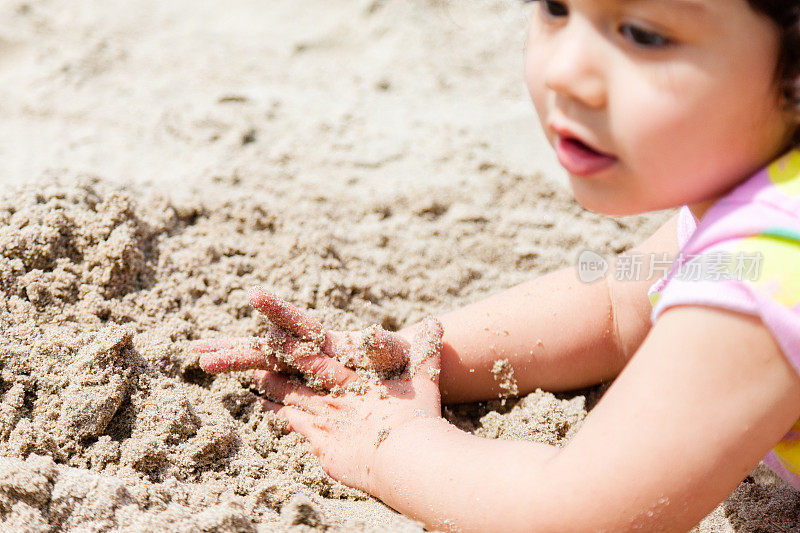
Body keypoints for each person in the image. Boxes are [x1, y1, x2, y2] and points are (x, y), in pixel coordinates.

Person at [191, 0, 800, 530]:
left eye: (643, 33)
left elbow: (577, 513)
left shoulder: (774, 261)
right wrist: (409, 357)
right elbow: (618, 306)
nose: (567, 72)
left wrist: (392, 443)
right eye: (556, 7)